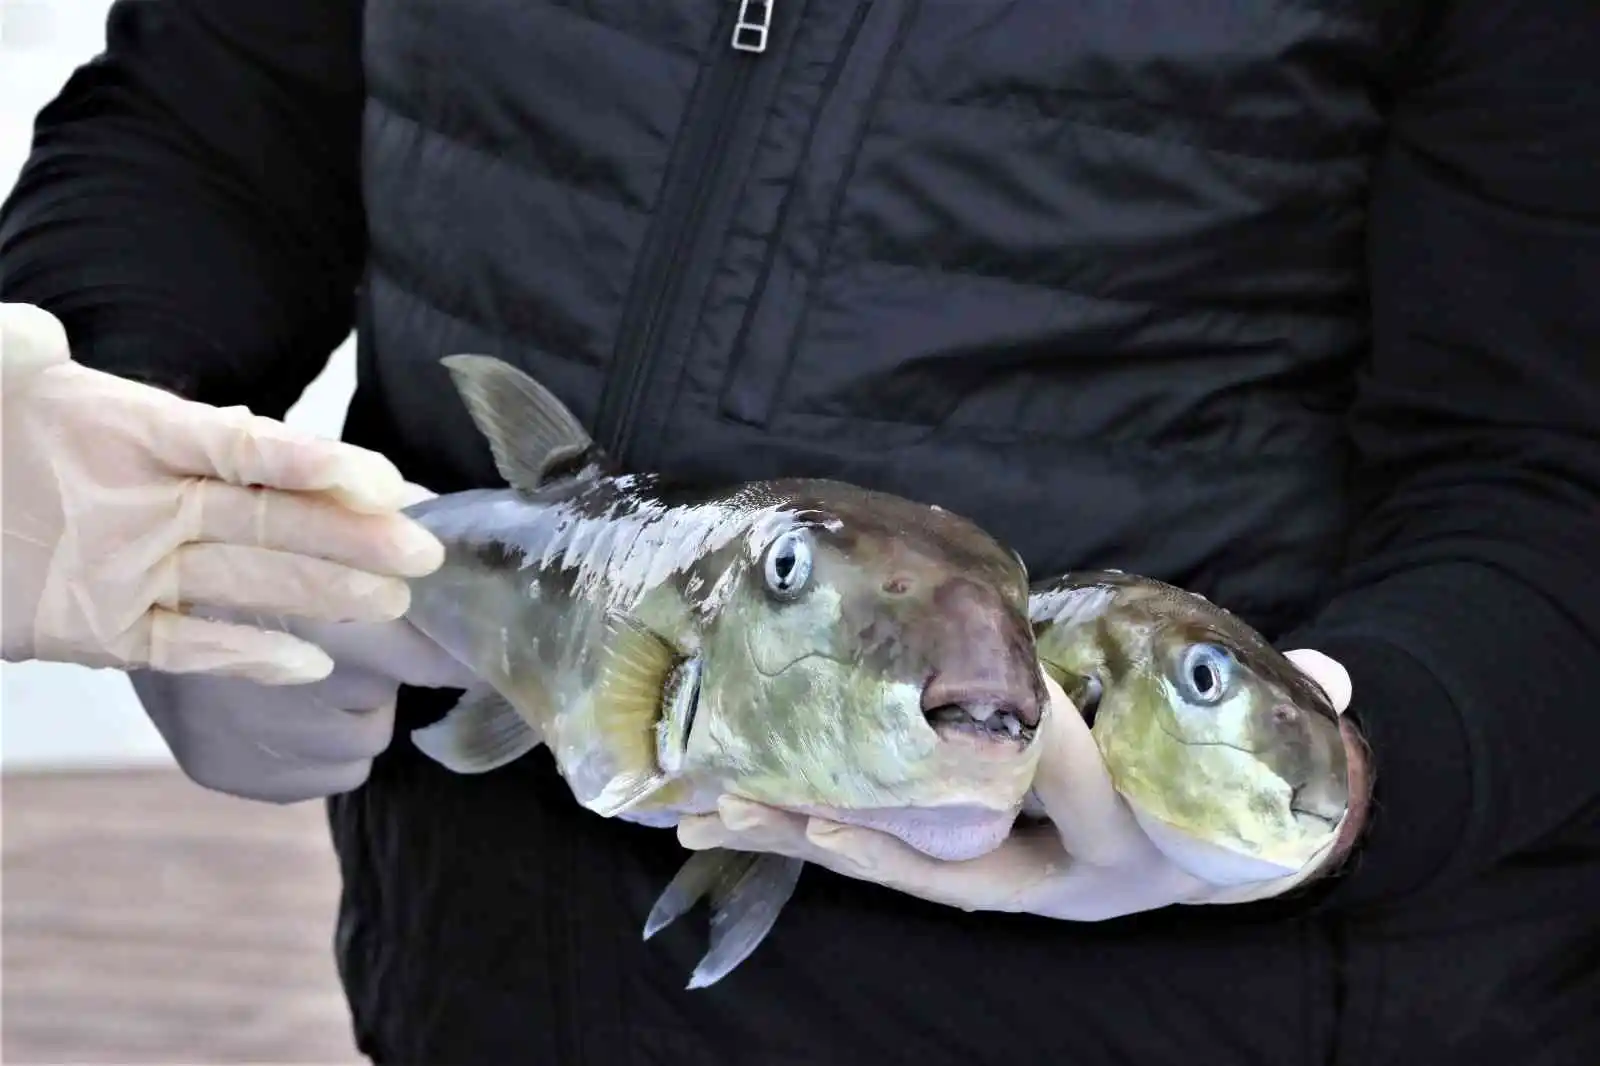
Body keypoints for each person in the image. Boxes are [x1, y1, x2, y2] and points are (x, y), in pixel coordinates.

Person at [2, 1, 1596, 1063]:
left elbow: (1552, 466)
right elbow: (202, 131)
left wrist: (1347, 757)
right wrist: (162, 516)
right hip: (485, 986)